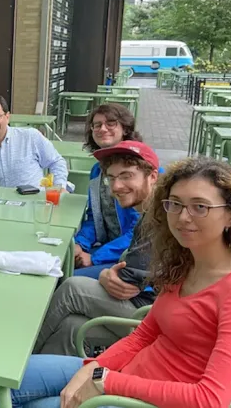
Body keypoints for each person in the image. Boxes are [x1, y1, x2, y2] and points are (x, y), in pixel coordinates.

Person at [0, 156, 231, 408]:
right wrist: (92, 371)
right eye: (175, 204)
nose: (182, 217)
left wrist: (105, 382)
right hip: (124, 377)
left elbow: (211, 398)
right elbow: (142, 337)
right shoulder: (186, 263)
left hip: (146, 401)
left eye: (200, 206)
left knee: (16, 400)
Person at [34, 141, 159, 356]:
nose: (116, 186)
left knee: (72, 288)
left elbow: (125, 282)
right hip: (149, 309)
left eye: (127, 176)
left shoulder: (160, 218)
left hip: (152, 319)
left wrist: (103, 274)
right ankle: (36, 379)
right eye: (112, 178)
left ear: (152, 177)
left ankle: (19, 358)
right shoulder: (149, 213)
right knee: (71, 327)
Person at [73, 104, 146, 278]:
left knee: (66, 278)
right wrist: (80, 244)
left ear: (125, 129)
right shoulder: (97, 171)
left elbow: (140, 232)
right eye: (97, 125)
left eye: (111, 123)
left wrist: (95, 257)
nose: (103, 129)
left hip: (134, 258)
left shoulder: (141, 168)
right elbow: (93, 217)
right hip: (105, 246)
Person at [0, 95, 68, 189]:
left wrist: (59, 187)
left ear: (7, 117)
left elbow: (57, 162)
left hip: (31, 205)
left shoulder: (30, 137)